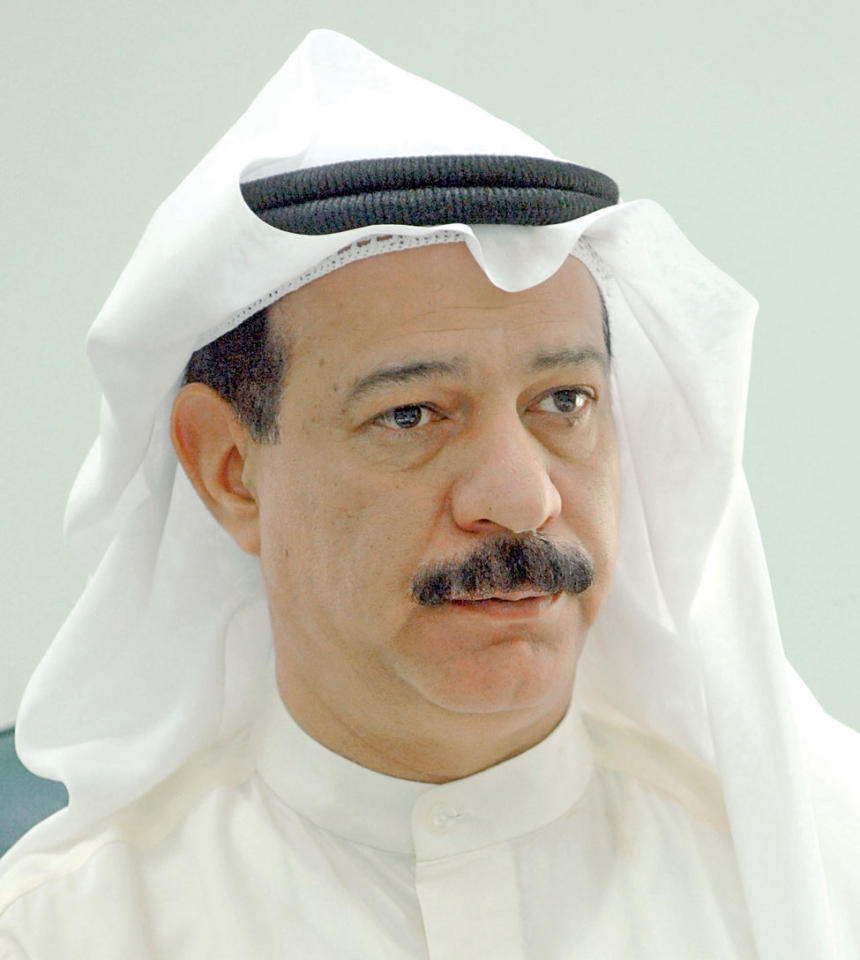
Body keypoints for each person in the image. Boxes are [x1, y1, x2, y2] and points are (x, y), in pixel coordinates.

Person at [0, 28, 857, 960]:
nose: (523, 500)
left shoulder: (812, 877)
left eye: (563, 402)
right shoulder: (64, 933)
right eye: (411, 414)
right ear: (230, 471)